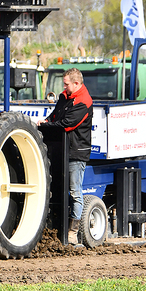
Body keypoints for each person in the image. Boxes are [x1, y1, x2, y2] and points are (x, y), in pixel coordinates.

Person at [37, 68, 93, 245]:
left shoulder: (84, 101)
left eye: (67, 84)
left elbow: (67, 125)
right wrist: (46, 122)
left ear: (76, 83)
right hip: (59, 149)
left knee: (75, 192)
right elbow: (55, 116)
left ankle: (72, 231)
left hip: (76, 152)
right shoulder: (64, 97)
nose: (64, 86)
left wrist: (48, 125)